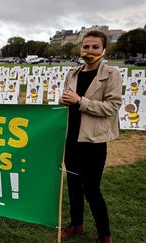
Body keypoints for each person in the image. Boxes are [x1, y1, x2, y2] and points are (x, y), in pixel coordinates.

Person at [60, 31, 122, 243]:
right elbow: (68, 100)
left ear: (104, 50)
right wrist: (64, 101)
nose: (89, 51)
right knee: (73, 185)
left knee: (92, 189)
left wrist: (80, 101)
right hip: (72, 138)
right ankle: (77, 225)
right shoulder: (73, 73)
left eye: (95, 47)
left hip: (94, 140)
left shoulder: (111, 74)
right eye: (86, 46)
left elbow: (112, 107)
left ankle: (105, 235)